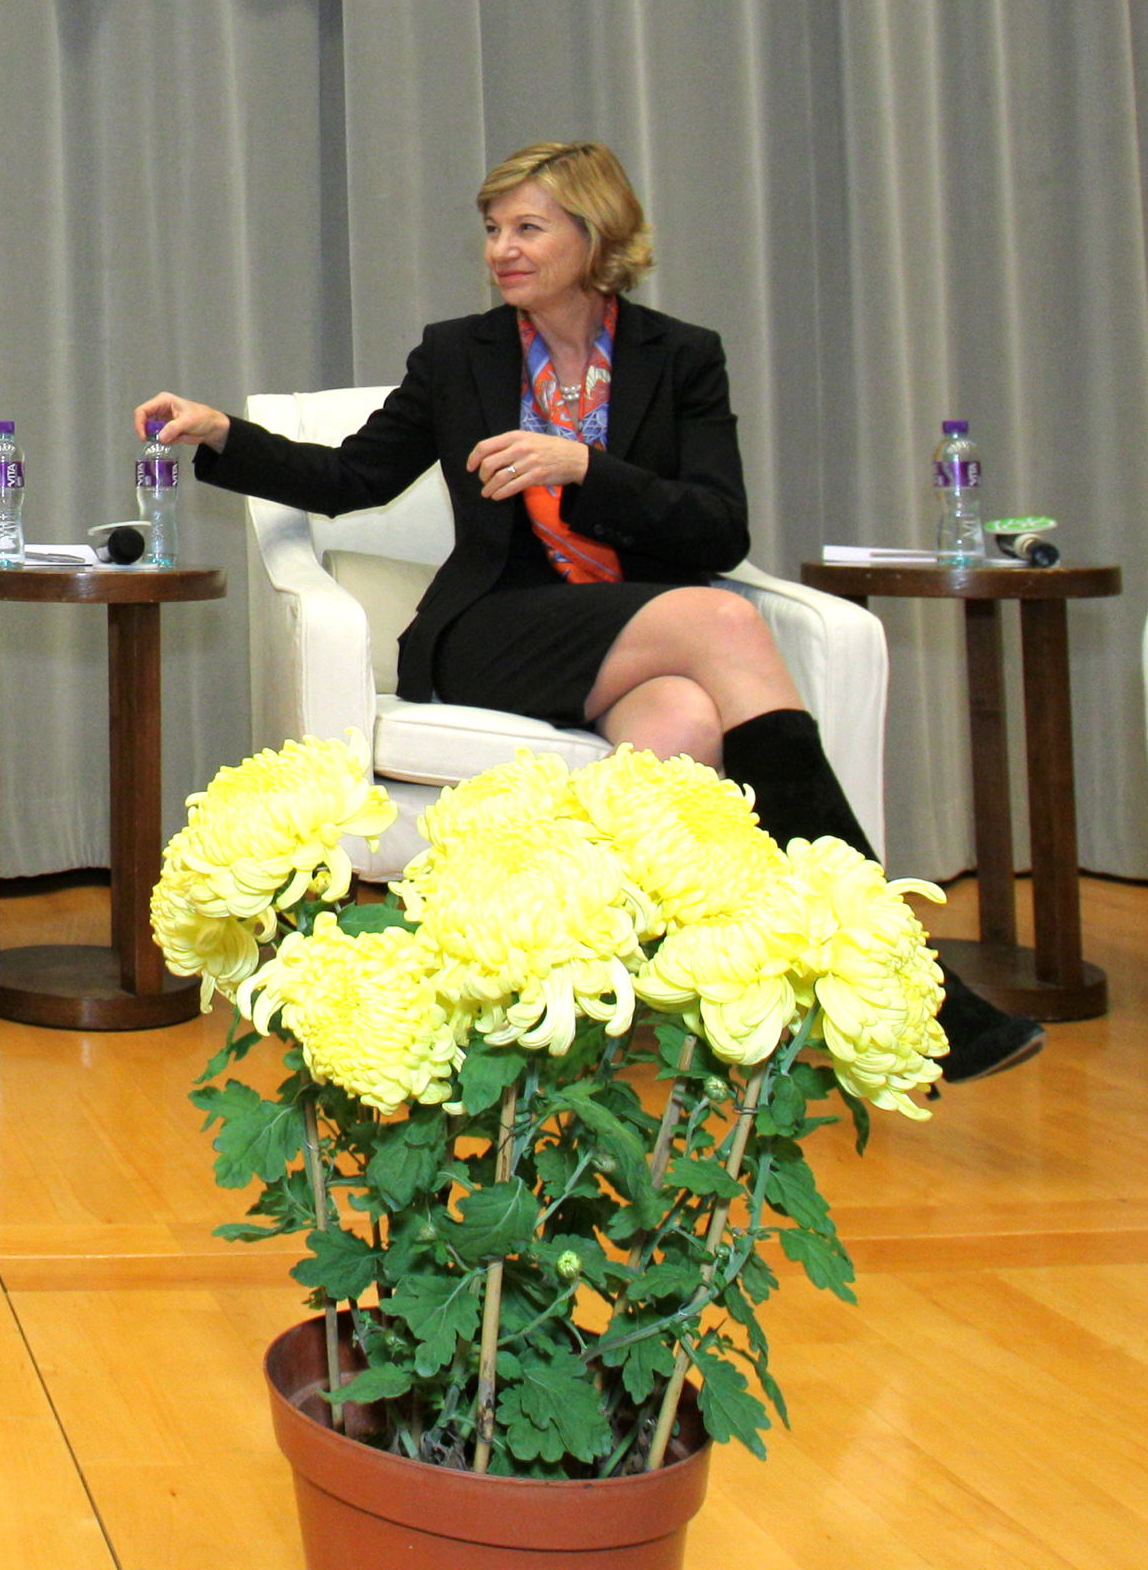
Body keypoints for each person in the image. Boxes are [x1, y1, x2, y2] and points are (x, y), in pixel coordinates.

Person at [135, 137, 1043, 1081]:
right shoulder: (458, 355)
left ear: (595, 234)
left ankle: (633, 1015)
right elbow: (350, 479)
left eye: (528, 228)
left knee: (684, 724)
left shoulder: (681, 357)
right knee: (727, 622)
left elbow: (719, 527)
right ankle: (892, 954)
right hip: (493, 629)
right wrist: (225, 434)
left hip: (629, 633)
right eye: (493, 230)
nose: (503, 249)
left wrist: (585, 467)